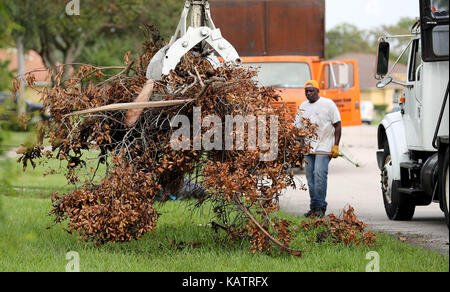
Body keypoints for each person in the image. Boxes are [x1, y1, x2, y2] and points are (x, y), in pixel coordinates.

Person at [294, 80, 341, 218]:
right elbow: (296, 127)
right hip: (308, 148)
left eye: (311, 91)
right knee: (310, 179)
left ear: (317, 91)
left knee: (319, 176)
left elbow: (337, 125)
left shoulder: (328, 104)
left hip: (324, 146)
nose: (308, 93)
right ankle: (313, 208)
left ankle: (320, 207)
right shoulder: (303, 106)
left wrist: (336, 145)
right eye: (306, 91)